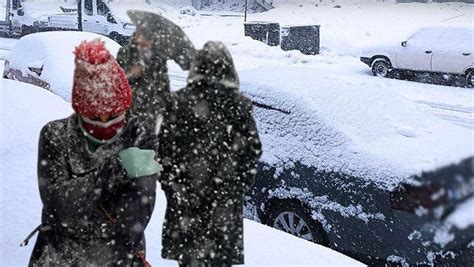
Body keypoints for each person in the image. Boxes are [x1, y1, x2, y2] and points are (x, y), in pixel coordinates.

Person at [27, 39, 161, 266]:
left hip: (118, 256)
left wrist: (82, 197)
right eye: (94, 118)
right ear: (80, 111)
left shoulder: (140, 135)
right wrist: (117, 168)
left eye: (113, 116)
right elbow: (57, 204)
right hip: (58, 257)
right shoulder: (55, 135)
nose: (104, 125)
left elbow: (137, 211)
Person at [161, 41, 262, 267]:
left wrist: (173, 185)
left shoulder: (177, 103)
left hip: (185, 203)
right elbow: (252, 151)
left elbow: (162, 151)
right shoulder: (239, 106)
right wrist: (236, 186)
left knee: (189, 261)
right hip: (224, 206)